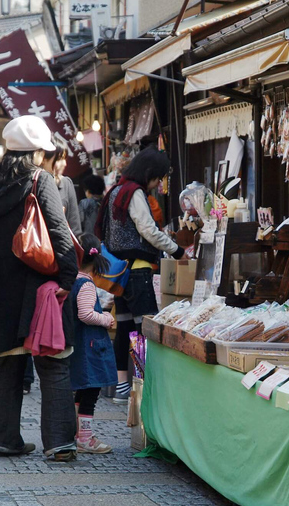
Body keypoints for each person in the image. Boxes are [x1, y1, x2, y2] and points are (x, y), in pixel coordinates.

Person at [0, 115, 79, 461]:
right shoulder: (39, 179)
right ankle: (60, 442)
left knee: (7, 362)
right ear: (36, 152)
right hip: (38, 285)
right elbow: (60, 234)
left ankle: (2, 439)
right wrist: (67, 279)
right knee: (53, 360)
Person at [95, 145, 185, 404]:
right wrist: (177, 250)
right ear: (147, 173)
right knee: (144, 330)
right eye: (157, 178)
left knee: (124, 328)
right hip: (136, 272)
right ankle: (143, 384)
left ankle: (124, 387)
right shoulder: (134, 193)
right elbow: (148, 229)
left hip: (120, 275)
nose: (157, 184)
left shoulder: (116, 190)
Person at [21, 138, 82, 395]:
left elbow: (74, 228)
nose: (63, 163)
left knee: (55, 324)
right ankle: (26, 377)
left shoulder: (66, 185)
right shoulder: (30, 181)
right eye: (59, 158)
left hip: (59, 268)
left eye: (64, 158)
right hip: (32, 261)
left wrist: (74, 268)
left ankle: (51, 368)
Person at [70, 233, 116, 454]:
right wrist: (106, 319)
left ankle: (78, 433)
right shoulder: (86, 284)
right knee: (90, 393)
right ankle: (85, 438)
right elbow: (86, 314)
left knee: (81, 391)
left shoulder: (71, 279)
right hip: (90, 348)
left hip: (80, 346)